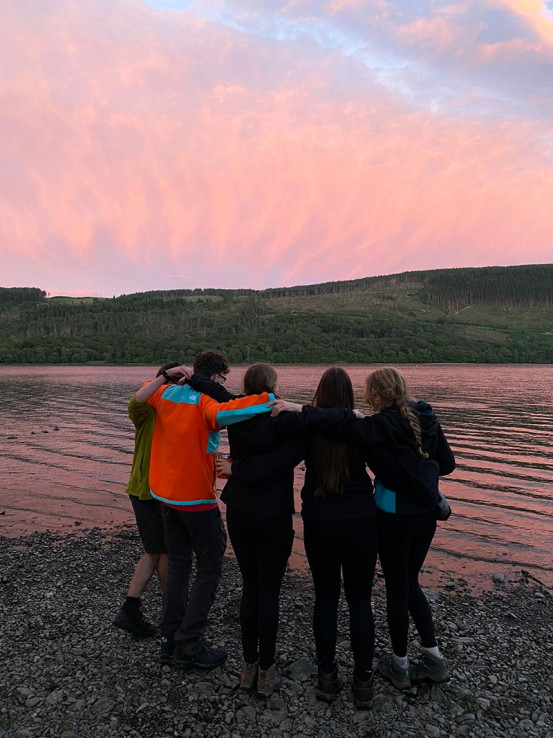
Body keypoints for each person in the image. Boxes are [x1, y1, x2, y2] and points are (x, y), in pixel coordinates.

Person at [271, 367, 455, 691]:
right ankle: (369, 679)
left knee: (331, 598)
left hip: (346, 519)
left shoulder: (365, 427)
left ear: (374, 394)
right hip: (384, 519)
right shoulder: (397, 422)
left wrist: (288, 408)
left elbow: (298, 435)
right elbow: (443, 463)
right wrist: (425, 477)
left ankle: (333, 676)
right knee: (368, 598)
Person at [219, 367, 377, 707]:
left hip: (318, 519)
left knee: (324, 597)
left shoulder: (303, 423)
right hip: (361, 520)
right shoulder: (363, 426)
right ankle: (364, 682)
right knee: (360, 601)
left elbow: (267, 435)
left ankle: (325, 677)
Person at [134, 352, 276, 671]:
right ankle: (189, 642)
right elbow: (237, 410)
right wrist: (269, 398)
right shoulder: (203, 403)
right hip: (196, 500)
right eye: (222, 380)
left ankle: (169, 639)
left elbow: (141, 394)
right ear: (215, 379)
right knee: (210, 566)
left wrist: (167, 376)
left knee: (181, 564)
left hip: (165, 497)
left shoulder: (166, 393)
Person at [193, 363, 301, 698]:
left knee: (250, 586)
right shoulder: (283, 417)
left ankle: (247, 666)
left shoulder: (237, 410)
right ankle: (265, 671)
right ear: (272, 386)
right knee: (268, 591)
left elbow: (215, 391)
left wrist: (185, 375)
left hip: (239, 508)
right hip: (272, 513)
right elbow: (284, 459)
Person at [113, 361, 179, 638]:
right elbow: (135, 399)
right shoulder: (147, 409)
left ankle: (132, 610)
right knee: (163, 551)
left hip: (160, 490)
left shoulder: (175, 412)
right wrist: (165, 377)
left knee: (156, 551)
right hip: (146, 490)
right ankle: (171, 614)